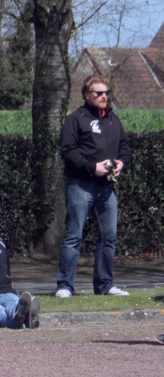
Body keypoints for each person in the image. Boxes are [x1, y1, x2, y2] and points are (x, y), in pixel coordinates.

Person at [55, 74, 130, 298]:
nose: (104, 96)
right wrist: (91, 167)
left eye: (106, 92)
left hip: (107, 187)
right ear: (88, 95)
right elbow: (68, 151)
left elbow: (124, 146)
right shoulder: (76, 119)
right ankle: (65, 286)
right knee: (73, 236)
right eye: (98, 93)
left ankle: (105, 285)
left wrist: (121, 162)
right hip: (81, 185)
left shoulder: (113, 120)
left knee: (109, 236)